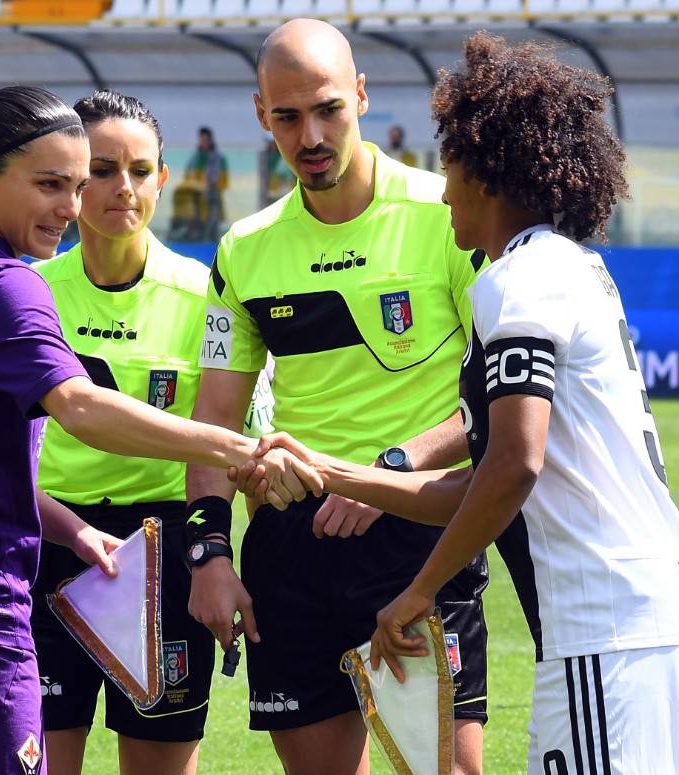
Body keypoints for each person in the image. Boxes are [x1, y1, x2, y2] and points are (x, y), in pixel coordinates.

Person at [242, 31, 679, 775]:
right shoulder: (559, 264)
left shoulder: (517, 282)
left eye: (451, 166)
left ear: (488, 174)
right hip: (613, 616)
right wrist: (332, 468)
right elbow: (472, 481)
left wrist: (417, 590)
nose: (443, 187)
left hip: (603, 617)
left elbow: (511, 468)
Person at [0, 85, 318, 775]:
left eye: (75, 181)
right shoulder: (6, 282)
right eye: (53, 184)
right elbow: (80, 407)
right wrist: (239, 445)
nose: (71, 204)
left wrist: (68, 527)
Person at [184, 18, 491, 775]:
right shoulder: (244, 250)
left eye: (328, 109)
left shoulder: (448, 216)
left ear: (360, 95)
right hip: (295, 546)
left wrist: (389, 470)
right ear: (261, 115)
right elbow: (213, 424)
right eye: (287, 116)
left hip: (418, 530)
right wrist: (210, 555)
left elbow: (496, 398)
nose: (310, 135)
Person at [26, 90, 223, 775]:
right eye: (103, 170)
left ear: (163, 178)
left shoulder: (206, 296)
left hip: (163, 555)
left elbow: (221, 449)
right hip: (45, 548)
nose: (124, 188)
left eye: (140, 170)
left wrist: (210, 558)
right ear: (76, 179)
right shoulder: (27, 294)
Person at [182, 127, 228, 240]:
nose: (203, 142)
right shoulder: (194, 159)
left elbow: (224, 181)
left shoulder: (219, 159)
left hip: (212, 201)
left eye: (206, 139)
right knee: (196, 231)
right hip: (196, 201)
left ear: (210, 140)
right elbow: (187, 179)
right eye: (201, 139)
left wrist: (211, 188)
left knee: (212, 230)